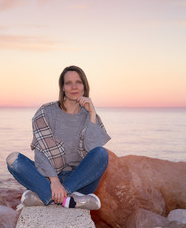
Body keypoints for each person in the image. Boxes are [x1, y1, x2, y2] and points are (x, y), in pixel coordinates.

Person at [6, 65, 110, 210]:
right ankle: (70, 200)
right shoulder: (45, 112)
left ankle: (47, 197)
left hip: (79, 181)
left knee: (102, 153)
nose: (74, 87)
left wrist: (92, 113)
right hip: (48, 177)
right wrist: (54, 181)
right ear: (62, 87)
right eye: (68, 83)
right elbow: (40, 151)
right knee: (13, 160)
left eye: (78, 82)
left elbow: (92, 152)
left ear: (84, 86)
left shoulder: (91, 117)